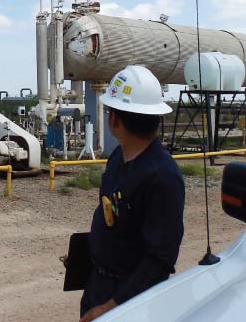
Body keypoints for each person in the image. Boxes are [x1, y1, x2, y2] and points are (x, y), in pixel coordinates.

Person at [79, 65, 185, 322]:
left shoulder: (162, 177)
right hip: (99, 284)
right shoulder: (118, 157)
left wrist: (111, 307)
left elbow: (160, 261)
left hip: (131, 300)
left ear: (114, 119)